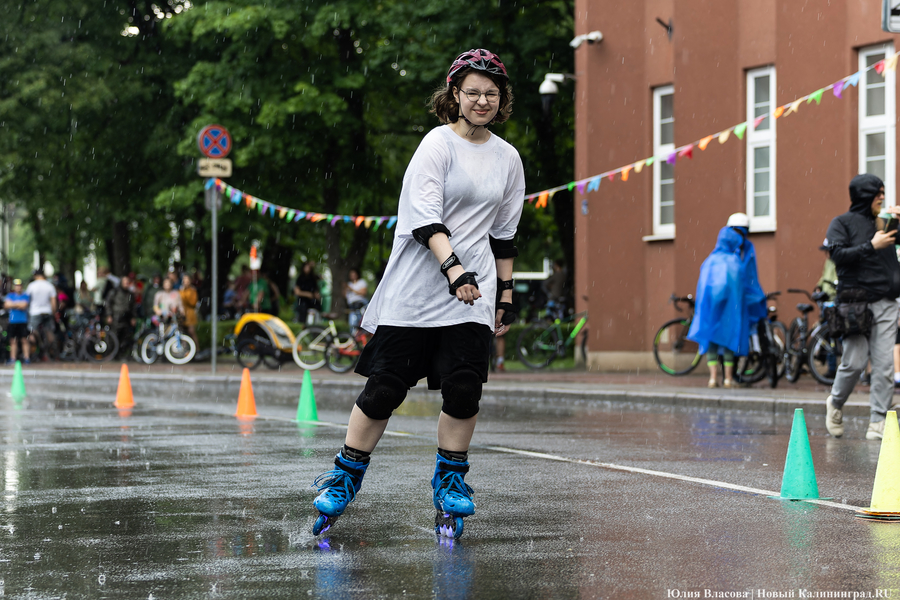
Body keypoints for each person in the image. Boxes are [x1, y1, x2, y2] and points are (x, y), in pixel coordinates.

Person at [309, 48, 525, 540]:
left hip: (474, 292)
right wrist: (453, 269)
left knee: (465, 384)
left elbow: (505, 235)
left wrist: (504, 295)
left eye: (492, 94)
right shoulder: (436, 146)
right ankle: (344, 477)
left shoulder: (508, 158)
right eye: (473, 92)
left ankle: (451, 483)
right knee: (385, 388)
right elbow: (426, 219)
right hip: (417, 289)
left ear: (502, 98)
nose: (482, 101)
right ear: (455, 94)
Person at [824, 174, 900, 441]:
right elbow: (837, 256)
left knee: (883, 364)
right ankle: (835, 402)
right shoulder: (841, 223)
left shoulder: (885, 222)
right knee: (854, 362)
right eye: (878, 193)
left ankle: (878, 421)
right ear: (864, 195)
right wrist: (871, 246)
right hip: (855, 305)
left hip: (887, 303)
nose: (882, 197)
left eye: (883, 192)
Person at [687, 213, 767, 389]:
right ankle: (728, 379)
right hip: (730, 310)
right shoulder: (734, 262)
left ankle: (713, 378)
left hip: (711, 310)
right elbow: (741, 288)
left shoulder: (709, 261)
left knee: (712, 342)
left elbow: (703, 288)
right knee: (730, 341)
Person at [25, 270, 57, 359]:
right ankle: (50, 348)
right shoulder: (49, 286)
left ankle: (37, 344)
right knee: (49, 331)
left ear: (36, 276)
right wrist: (53, 313)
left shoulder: (32, 285)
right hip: (47, 311)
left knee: (32, 331)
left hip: (35, 312)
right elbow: (53, 303)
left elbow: (27, 300)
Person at [105, 275, 136, 358]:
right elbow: (108, 304)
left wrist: (133, 317)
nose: (126, 284)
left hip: (126, 318)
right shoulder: (114, 292)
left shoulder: (130, 294)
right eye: (125, 282)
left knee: (125, 337)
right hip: (116, 317)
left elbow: (132, 306)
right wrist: (109, 315)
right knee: (114, 336)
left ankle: (121, 354)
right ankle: (112, 354)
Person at [4, 279, 30, 364]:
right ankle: (13, 358)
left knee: (24, 340)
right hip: (13, 321)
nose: (18, 287)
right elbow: (6, 305)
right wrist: (19, 304)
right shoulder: (10, 295)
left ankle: (26, 358)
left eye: (19, 286)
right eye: (16, 286)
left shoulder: (25, 295)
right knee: (13, 341)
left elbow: (24, 305)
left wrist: (13, 304)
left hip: (23, 321)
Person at [180, 274, 199, 345]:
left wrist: (185, 296)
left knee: (192, 332)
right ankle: (185, 349)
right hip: (182, 314)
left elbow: (193, 302)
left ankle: (197, 349)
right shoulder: (180, 290)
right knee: (183, 333)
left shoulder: (193, 290)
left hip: (190, 314)